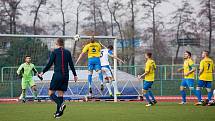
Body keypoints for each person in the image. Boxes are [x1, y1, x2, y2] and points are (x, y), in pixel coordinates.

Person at [39, 38, 78, 118]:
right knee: (60, 94)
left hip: (57, 75)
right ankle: (58, 114)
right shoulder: (68, 52)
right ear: (63, 44)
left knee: (50, 93)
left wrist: (42, 72)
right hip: (65, 76)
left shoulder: (54, 52)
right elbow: (71, 64)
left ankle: (61, 104)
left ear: (57, 44)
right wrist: (75, 75)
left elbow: (49, 64)